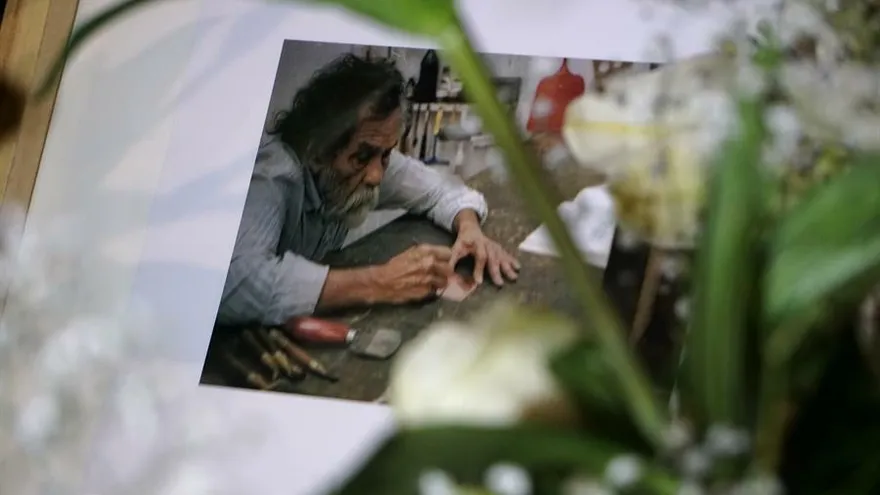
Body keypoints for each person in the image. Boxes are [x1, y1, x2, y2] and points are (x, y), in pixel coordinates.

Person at [217, 54, 519, 326]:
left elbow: (443, 191)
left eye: (385, 154)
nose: (376, 175)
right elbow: (235, 281)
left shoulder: (374, 160)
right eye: (362, 156)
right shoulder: (272, 174)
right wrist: (379, 281)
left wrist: (469, 228)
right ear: (318, 149)